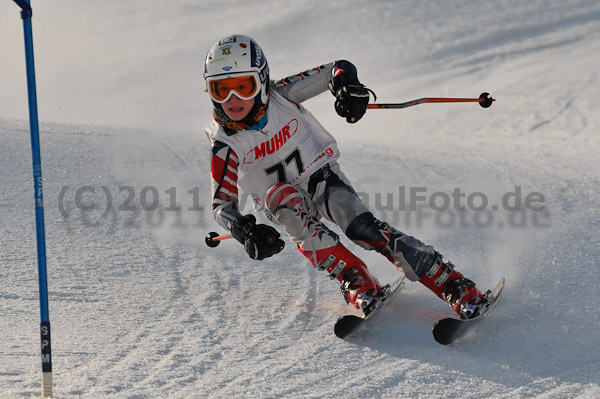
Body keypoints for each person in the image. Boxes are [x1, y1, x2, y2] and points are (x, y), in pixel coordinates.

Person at [204, 34, 486, 319]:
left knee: (361, 228)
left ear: (262, 83)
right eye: (221, 90)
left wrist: (347, 87)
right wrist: (246, 230)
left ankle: (450, 281)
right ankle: (354, 276)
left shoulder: (282, 96)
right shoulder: (225, 145)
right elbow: (222, 206)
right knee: (284, 203)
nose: (233, 99)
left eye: (243, 86)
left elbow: (336, 68)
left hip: (320, 176)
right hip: (281, 200)